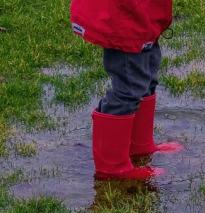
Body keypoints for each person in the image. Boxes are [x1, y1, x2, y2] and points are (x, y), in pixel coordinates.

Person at [70, 0, 184, 181]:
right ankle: (112, 167)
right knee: (129, 87)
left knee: (147, 74)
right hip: (124, 20)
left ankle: (140, 146)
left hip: (143, 17)